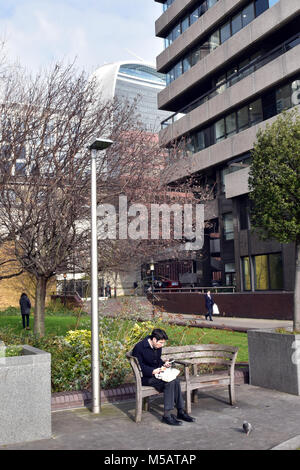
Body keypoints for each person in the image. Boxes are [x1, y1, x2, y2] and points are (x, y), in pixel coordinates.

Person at [132, 328, 196, 426]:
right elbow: (139, 366)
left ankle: (180, 411)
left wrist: (164, 364)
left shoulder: (157, 347)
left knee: (175, 380)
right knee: (170, 382)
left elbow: (157, 361)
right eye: (161, 343)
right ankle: (167, 415)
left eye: (163, 343)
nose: (162, 345)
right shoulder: (139, 347)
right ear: (154, 339)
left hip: (158, 374)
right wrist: (152, 371)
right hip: (145, 378)